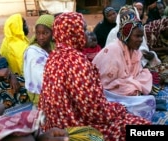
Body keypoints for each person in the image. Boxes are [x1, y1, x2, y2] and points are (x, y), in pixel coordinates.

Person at [38, 12, 151, 141]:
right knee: (141, 128)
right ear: (73, 33)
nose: (87, 33)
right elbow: (94, 111)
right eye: (84, 29)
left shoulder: (53, 57)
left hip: (54, 126)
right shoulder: (77, 61)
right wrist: (119, 109)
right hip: (74, 128)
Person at [92, 10, 156, 120]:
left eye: (142, 37)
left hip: (126, 84)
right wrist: (131, 84)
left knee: (146, 75)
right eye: (137, 36)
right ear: (126, 35)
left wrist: (132, 82)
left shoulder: (135, 51)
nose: (140, 40)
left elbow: (137, 72)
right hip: (107, 92)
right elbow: (104, 84)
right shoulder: (113, 50)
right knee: (141, 98)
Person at [23, 14, 55, 105]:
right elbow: (40, 79)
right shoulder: (33, 52)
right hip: (40, 94)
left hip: (57, 89)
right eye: (38, 33)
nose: (41, 37)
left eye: (45, 33)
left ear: (53, 32)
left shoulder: (54, 46)